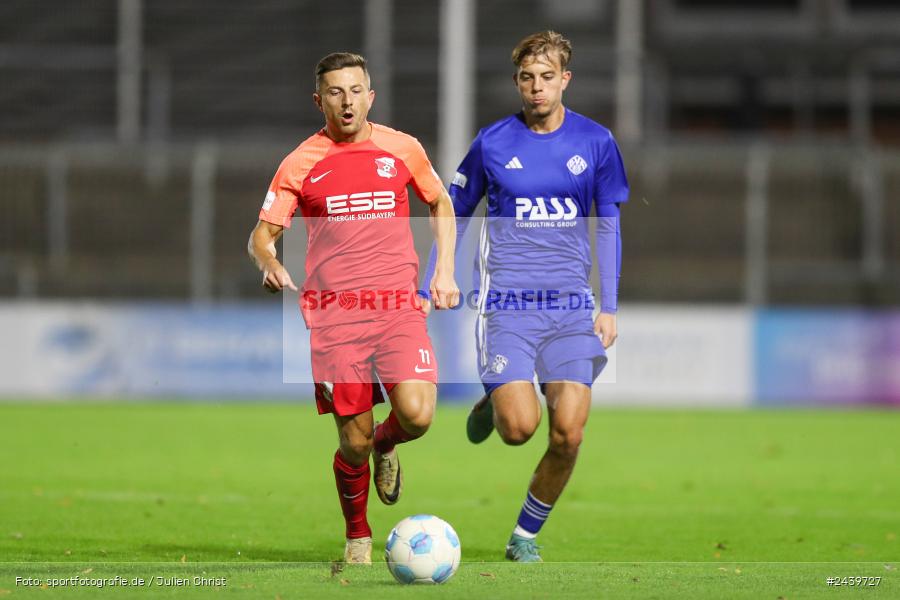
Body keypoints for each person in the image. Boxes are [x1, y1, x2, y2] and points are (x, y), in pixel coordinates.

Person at [423, 30, 628, 562]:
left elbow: (607, 226)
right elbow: (455, 210)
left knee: (568, 433)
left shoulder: (596, 143)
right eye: (526, 79)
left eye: (546, 77)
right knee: (520, 430)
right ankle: (496, 400)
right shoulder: (493, 142)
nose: (536, 88)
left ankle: (524, 537)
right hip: (508, 307)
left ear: (565, 80)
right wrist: (436, 276)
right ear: (517, 82)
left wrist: (608, 305)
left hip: (570, 310)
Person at [247, 52, 459, 564]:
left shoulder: (402, 148)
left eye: (355, 90)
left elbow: (440, 201)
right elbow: (262, 234)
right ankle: (358, 537)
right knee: (354, 442)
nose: (347, 102)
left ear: (371, 95)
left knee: (418, 414)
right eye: (335, 93)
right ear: (319, 100)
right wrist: (268, 260)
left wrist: (445, 269)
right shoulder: (301, 161)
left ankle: (390, 444)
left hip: (397, 307)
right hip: (335, 318)